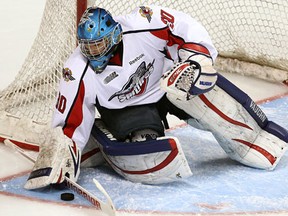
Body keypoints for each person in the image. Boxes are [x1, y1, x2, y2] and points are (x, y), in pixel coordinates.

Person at [24, 5, 288, 189]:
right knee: (145, 140)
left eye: (99, 45)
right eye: (88, 47)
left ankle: (254, 138)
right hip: (126, 109)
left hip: (166, 86)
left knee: (205, 88)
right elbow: (72, 117)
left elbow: (184, 28)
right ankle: (99, 140)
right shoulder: (77, 68)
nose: (94, 52)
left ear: (114, 35)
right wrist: (61, 154)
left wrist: (196, 58)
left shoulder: (143, 23)